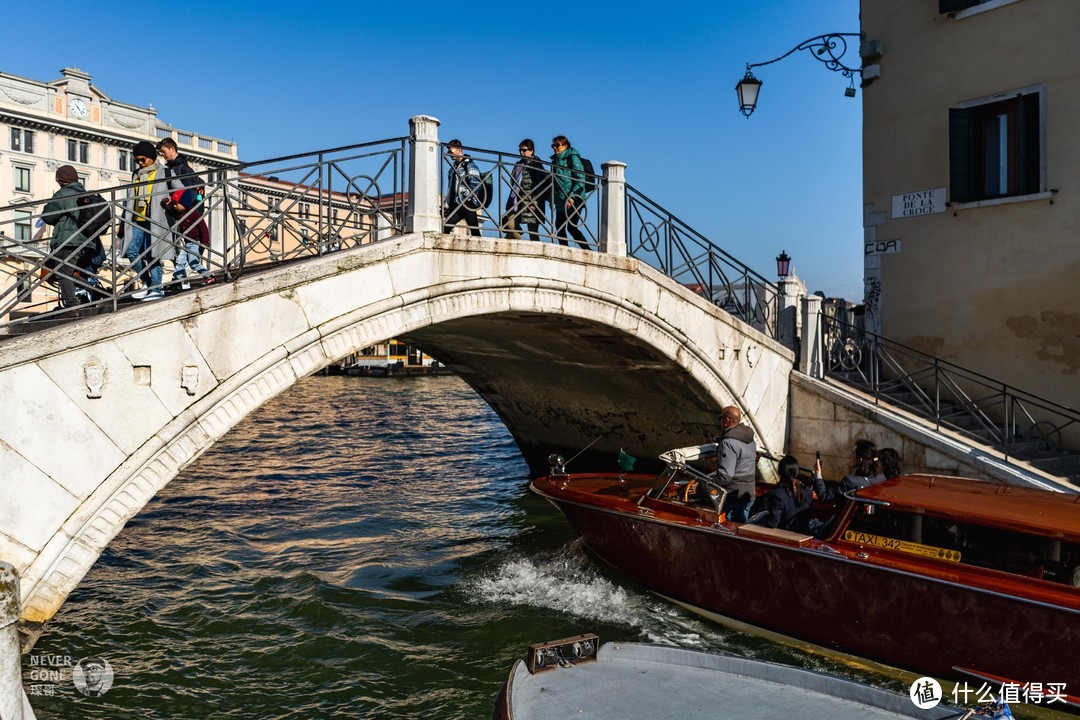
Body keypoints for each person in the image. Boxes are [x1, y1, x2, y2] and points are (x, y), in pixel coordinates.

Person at [120, 141, 174, 301]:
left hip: (155, 219)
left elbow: (180, 188)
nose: (140, 163)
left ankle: (157, 288)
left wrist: (172, 203)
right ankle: (147, 283)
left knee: (153, 254)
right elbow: (129, 198)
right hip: (136, 218)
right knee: (131, 251)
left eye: (143, 159)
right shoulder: (136, 174)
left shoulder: (165, 172)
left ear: (151, 157)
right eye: (137, 160)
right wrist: (123, 220)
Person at [41, 165, 87, 308]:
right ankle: (95, 290)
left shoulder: (63, 193)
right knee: (70, 272)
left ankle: (71, 305)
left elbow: (47, 216)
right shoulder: (85, 193)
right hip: (87, 241)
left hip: (68, 240)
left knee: (63, 272)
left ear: (60, 180)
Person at [712, 405, 757, 523]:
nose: (720, 421)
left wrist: (705, 483)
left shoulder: (727, 443)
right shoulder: (750, 439)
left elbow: (725, 476)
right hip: (749, 493)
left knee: (727, 529)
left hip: (733, 496)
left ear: (726, 420)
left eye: (720, 418)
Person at [759, 455, 826, 532]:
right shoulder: (807, 491)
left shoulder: (778, 494)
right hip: (804, 534)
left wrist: (762, 519)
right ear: (796, 472)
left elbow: (772, 523)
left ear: (780, 472)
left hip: (786, 536)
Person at [165, 189, 214, 288]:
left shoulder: (194, 214)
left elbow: (203, 228)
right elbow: (171, 213)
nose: (175, 206)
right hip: (187, 243)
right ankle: (177, 280)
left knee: (193, 263)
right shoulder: (180, 213)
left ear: (184, 203)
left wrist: (205, 242)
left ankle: (209, 276)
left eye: (176, 204)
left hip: (196, 243)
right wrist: (167, 205)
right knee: (180, 261)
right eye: (174, 204)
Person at [502, 139, 546, 242]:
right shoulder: (518, 165)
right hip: (517, 201)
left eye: (524, 150)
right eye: (520, 150)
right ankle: (517, 242)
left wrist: (534, 202)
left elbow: (539, 185)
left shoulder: (536, 165)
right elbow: (513, 183)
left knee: (532, 230)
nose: (522, 152)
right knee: (510, 224)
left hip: (531, 201)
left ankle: (537, 253)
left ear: (531, 151)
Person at [550, 135, 589, 249]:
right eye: (553, 145)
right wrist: (552, 198)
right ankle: (564, 250)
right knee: (559, 226)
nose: (555, 148)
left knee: (571, 227)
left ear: (565, 145)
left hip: (575, 198)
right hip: (561, 200)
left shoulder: (572, 157)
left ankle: (587, 250)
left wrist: (572, 197)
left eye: (557, 145)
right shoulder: (555, 161)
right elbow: (555, 182)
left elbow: (580, 178)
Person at [442, 139, 483, 236]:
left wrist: (466, 198)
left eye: (451, 151)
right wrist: (447, 204)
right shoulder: (453, 169)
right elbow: (451, 188)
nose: (449, 153)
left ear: (459, 150)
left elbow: (476, 184)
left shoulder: (469, 165)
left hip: (468, 203)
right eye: (448, 151)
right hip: (458, 203)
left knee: (474, 229)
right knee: (446, 228)